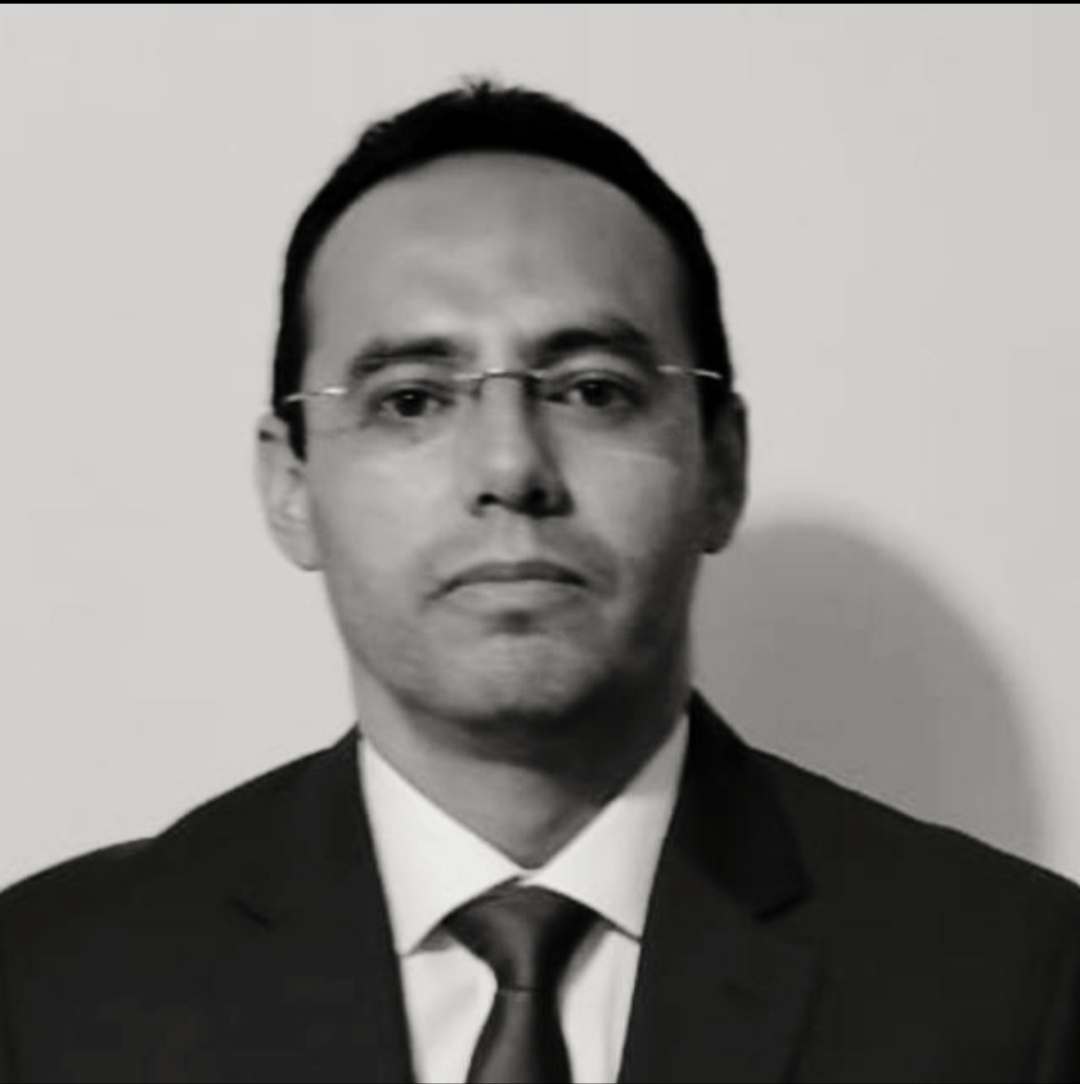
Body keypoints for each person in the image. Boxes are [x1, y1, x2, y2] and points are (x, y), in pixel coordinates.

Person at [1, 80, 1078, 1084]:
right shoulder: (50, 991)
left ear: (722, 466)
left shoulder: (1016, 987)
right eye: (412, 399)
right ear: (292, 485)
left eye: (593, 390)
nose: (511, 466)